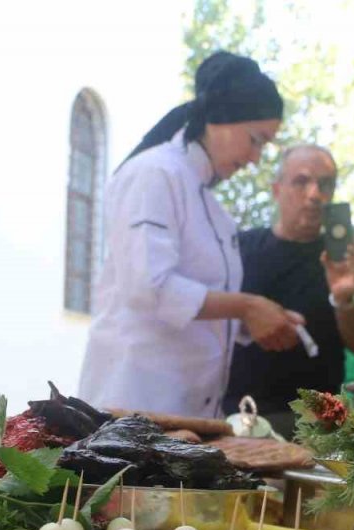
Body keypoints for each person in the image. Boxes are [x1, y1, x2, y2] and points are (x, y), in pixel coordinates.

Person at [78, 51, 299, 418]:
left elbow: (196, 302)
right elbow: (150, 287)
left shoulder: (215, 212)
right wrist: (246, 305)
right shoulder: (154, 174)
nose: (255, 158)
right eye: (256, 140)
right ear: (222, 119)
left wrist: (255, 318)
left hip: (188, 412)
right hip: (133, 402)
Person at [221, 144, 354, 432]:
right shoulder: (239, 250)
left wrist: (343, 300)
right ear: (277, 189)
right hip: (240, 417)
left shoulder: (347, 258)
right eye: (301, 181)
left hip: (319, 424)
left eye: (325, 184)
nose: (314, 194)